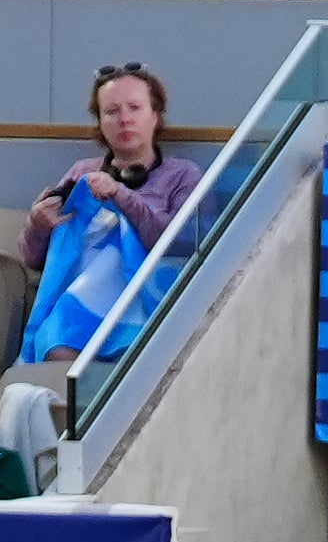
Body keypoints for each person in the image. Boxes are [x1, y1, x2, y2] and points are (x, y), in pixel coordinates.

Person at [17, 63, 199, 364]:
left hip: (145, 305)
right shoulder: (81, 174)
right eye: (112, 111)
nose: (124, 119)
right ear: (100, 122)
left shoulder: (183, 176)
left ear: (155, 115)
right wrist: (38, 225)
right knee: (56, 345)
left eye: (135, 108)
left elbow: (179, 243)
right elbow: (36, 260)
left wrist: (120, 195)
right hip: (79, 312)